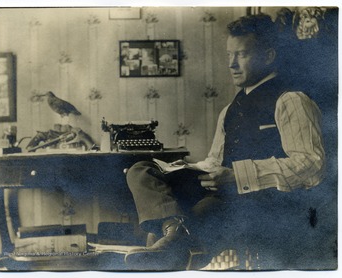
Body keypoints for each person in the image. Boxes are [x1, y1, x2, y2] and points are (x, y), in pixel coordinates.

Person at [124, 14, 325, 271]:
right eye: (229, 55)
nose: (231, 64)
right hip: (225, 191)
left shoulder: (291, 100)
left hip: (266, 204)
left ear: (269, 56)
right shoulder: (230, 109)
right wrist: (183, 170)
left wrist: (237, 176)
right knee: (140, 170)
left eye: (241, 55)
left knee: (203, 211)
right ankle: (171, 237)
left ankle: (166, 249)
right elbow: (215, 161)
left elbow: (312, 165)